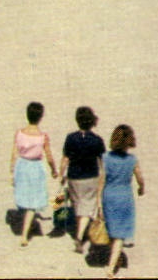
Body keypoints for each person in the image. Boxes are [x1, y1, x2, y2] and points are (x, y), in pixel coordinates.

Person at [58, 106, 106, 253]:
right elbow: (103, 163)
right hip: (90, 178)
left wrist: (61, 175)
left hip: (73, 177)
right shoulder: (97, 140)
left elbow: (65, 159)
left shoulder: (70, 138)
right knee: (86, 208)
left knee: (78, 204)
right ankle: (79, 236)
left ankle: (78, 230)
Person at [11, 102, 57, 246]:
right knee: (32, 202)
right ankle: (25, 234)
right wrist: (53, 170)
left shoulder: (19, 133)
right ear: (41, 117)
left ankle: (24, 225)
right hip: (35, 167)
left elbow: (14, 153)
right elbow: (49, 156)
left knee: (23, 196)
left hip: (22, 166)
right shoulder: (43, 136)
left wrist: (12, 170)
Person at [100, 124, 143, 278]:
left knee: (112, 230)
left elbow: (101, 180)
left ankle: (115, 259)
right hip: (124, 196)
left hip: (109, 195)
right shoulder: (132, 160)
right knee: (120, 234)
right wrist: (141, 188)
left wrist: (99, 201)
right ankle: (111, 268)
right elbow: (140, 178)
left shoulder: (105, 158)